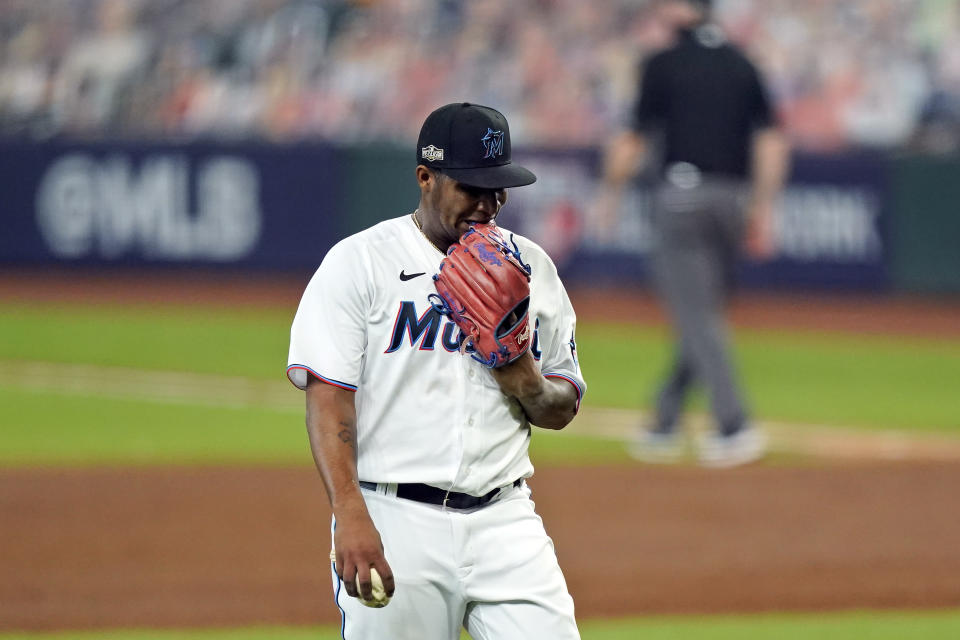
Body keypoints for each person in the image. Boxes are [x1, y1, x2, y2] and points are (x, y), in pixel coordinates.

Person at [287, 102, 586, 639]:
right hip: (395, 517)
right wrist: (351, 513)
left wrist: (526, 381)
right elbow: (328, 399)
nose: (488, 204)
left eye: (498, 189)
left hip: (505, 520)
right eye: (472, 188)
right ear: (426, 178)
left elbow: (561, 405)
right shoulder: (360, 263)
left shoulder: (532, 267)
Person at [598, 0, 790, 467]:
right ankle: (664, 420)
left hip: (680, 199)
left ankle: (733, 424)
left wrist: (609, 195)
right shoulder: (744, 63)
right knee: (703, 316)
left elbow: (633, 138)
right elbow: (771, 140)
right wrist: (764, 205)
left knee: (698, 318)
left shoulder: (661, 63)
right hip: (733, 200)